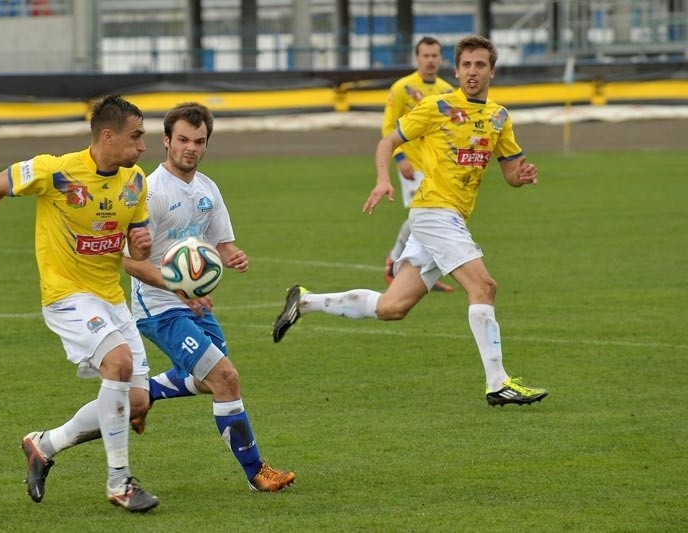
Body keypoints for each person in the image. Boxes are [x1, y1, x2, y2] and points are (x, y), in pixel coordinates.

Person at [273, 36, 548, 407]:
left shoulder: (499, 117)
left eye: (480, 65)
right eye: (466, 65)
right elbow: (387, 142)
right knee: (484, 286)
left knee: (392, 308)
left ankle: (305, 302)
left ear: (491, 71)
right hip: (434, 212)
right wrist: (383, 179)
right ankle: (498, 383)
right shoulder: (438, 107)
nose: (472, 72)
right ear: (457, 69)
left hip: (451, 218)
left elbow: (511, 173)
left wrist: (523, 175)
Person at [0, 95, 160, 512]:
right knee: (119, 364)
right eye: (137, 137)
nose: (142, 147)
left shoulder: (135, 181)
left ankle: (44, 444)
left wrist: (141, 241)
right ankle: (119, 483)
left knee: (137, 402)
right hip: (66, 295)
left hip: (110, 299)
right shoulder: (56, 170)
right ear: (108, 136)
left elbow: (136, 242)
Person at [123, 102, 296, 492]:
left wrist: (232, 256)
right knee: (226, 377)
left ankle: (143, 394)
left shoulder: (208, 189)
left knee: (207, 381)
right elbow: (131, 264)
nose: (191, 148)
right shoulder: (149, 193)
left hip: (194, 302)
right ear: (166, 141)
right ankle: (257, 472)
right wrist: (179, 288)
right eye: (182, 139)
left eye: (199, 141)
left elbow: (221, 244)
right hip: (159, 308)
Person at [382, 36, 454, 292]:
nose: (431, 60)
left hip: (437, 167)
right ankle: (394, 260)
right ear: (417, 58)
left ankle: (419, 272)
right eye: (426, 56)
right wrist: (399, 158)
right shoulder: (402, 88)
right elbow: (389, 126)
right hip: (412, 163)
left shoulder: (448, 91)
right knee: (421, 215)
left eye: (435, 55)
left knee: (431, 217)